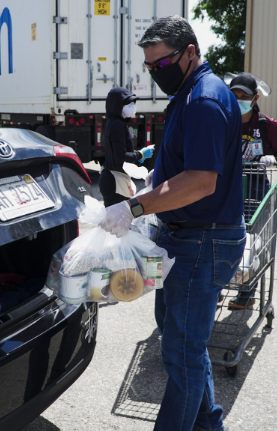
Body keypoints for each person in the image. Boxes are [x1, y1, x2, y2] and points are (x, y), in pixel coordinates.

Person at [98, 16, 244, 431]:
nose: (155, 73)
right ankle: (208, 424)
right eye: (149, 67)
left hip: (202, 242)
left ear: (191, 53)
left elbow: (200, 181)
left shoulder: (204, 99)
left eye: (162, 64)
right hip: (188, 238)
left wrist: (135, 207)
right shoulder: (189, 93)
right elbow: (187, 166)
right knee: (184, 345)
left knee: (181, 352)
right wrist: (156, 179)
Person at [226, 72, 277, 310]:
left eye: (243, 96)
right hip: (226, 187)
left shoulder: (267, 126)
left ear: (255, 98)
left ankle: (247, 293)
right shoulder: (223, 120)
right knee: (223, 238)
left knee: (252, 241)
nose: (238, 100)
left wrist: (272, 159)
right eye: (233, 95)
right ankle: (215, 290)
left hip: (255, 190)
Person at [99, 87, 155, 207]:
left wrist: (137, 154)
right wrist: (140, 154)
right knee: (119, 222)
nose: (132, 107)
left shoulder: (114, 122)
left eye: (132, 103)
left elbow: (119, 151)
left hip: (112, 178)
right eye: (127, 104)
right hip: (114, 181)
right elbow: (120, 156)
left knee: (116, 222)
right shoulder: (117, 125)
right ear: (117, 106)